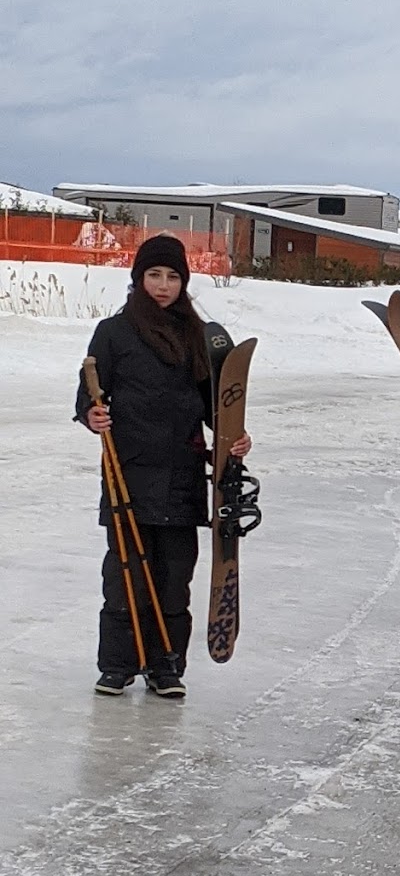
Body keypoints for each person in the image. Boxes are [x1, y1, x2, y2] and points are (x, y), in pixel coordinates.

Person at [75, 234, 252, 698]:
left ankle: (166, 666)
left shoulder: (198, 335)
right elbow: (90, 391)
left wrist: (233, 439)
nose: (163, 285)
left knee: (175, 577)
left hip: (182, 474)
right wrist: (91, 415)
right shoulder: (114, 332)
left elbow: (218, 408)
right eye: (154, 275)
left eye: (173, 277)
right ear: (139, 279)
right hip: (128, 472)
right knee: (125, 572)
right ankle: (117, 666)